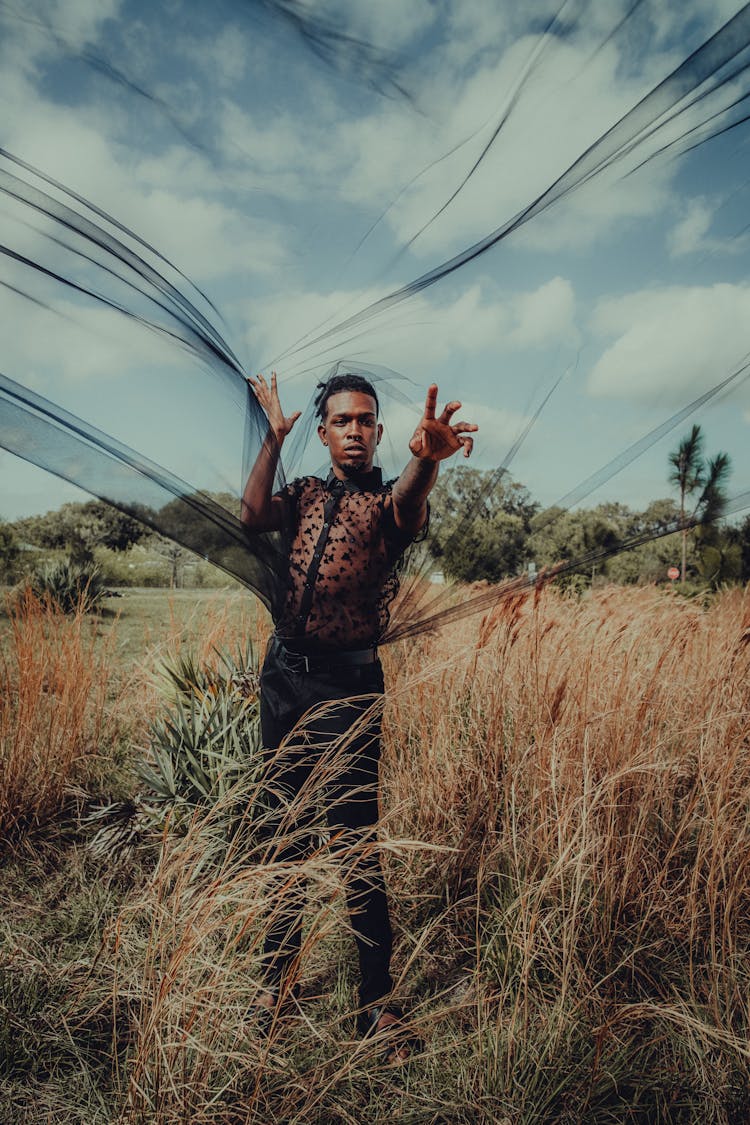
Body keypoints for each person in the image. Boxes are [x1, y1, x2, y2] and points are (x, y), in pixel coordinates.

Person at [241, 370, 477, 1056]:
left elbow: (410, 503)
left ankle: (375, 1005)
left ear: (378, 432)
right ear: (324, 432)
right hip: (284, 681)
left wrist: (425, 460)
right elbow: (252, 516)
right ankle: (272, 984)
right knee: (283, 836)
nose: (353, 430)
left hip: (348, 692)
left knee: (354, 847)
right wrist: (273, 438)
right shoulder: (307, 493)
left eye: (365, 420)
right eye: (341, 420)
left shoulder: (386, 507)